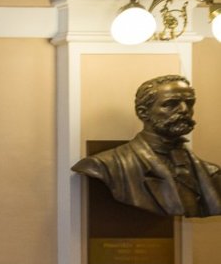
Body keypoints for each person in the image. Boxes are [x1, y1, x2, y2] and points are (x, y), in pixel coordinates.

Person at [72, 74, 221, 217]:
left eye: (189, 103)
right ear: (143, 113)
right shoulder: (105, 166)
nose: (184, 110)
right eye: (170, 104)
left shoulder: (212, 173)